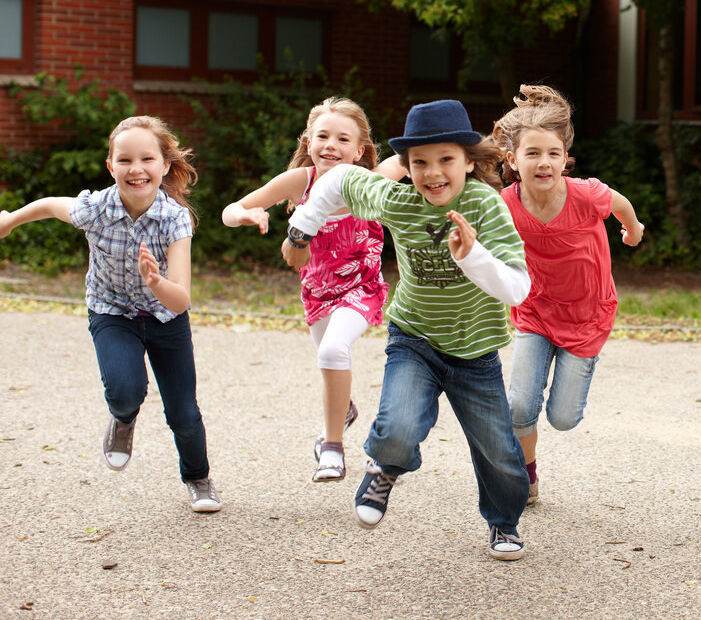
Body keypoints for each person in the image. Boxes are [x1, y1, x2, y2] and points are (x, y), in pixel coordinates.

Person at [282, 99, 532, 561]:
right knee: (397, 428)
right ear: (406, 166)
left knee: (499, 453)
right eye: (420, 163)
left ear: (468, 162)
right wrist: (302, 228)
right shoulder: (397, 199)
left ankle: (504, 524)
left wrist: (472, 257)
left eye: (446, 160)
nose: (433, 173)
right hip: (414, 339)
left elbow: (517, 289)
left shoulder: (485, 206)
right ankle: (384, 468)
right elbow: (337, 179)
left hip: (475, 352)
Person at [0, 116, 222, 512]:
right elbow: (51, 205)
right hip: (112, 311)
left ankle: (198, 478)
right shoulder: (95, 208)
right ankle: (123, 420)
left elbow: (181, 300)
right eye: (125, 160)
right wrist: (10, 221)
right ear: (111, 166)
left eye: (147, 159)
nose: (136, 169)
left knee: (184, 413)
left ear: (165, 165)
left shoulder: (175, 219)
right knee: (125, 392)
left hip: (165, 317)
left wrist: (155, 281)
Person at [222, 97, 403, 483]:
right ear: (308, 143)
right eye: (322, 136)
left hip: (361, 288)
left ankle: (331, 446)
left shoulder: (368, 182)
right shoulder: (299, 182)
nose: (330, 145)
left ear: (360, 151)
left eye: (342, 139)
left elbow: (410, 157)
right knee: (329, 360)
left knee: (334, 350)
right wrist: (246, 214)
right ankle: (343, 411)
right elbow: (230, 209)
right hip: (317, 294)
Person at [491, 85, 644, 506]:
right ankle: (526, 475)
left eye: (554, 153)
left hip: (586, 315)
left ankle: (575, 375)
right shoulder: (505, 204)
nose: (544, 162)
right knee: (520, 406)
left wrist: (633, 229)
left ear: (565, 158)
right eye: (533, 153)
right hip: (535, 312)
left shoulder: (586, 194)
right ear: (512, 160)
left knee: (562, 418)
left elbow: (621, 204)